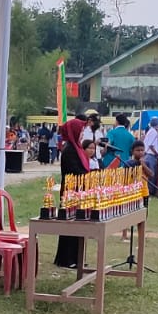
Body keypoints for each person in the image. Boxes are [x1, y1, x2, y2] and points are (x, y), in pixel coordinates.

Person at [52, 116, 92, 270]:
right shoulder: (69, 150)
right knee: (69, 225)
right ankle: (66, 258)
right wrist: (90, 175)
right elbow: (75, 171)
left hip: (79, 190)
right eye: (81, 131)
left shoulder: (78, 148)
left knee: (79, 224)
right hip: (71, 191)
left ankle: (77, 256)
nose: (82, 134)